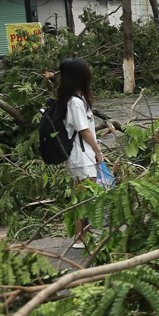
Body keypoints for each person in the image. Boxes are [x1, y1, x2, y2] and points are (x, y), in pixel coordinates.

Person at [58, 57, 106, 247]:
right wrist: (98, 151)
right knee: (83, 199)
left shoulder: (78, 99)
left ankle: (85, 233)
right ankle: (80, 238)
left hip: (85, 156)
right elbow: (83, 130)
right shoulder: (74, 103)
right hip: (81, 157)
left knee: (87, 197)